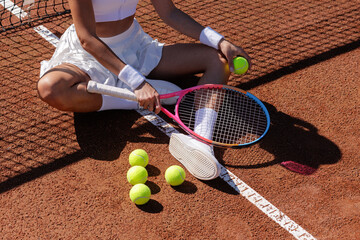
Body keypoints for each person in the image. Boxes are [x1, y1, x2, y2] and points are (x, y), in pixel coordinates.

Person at [37, 0, 252, 180]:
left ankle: (202, 142)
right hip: (89, 54)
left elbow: (169, 12)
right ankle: (128, 97)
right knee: (50, 89)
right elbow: (87, 39)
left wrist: (220, 41)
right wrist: (137, 83)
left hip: (135, 47)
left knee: (218, 60)